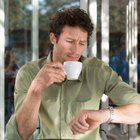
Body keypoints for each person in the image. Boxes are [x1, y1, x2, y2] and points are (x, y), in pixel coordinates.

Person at [6, 8, 140, 140]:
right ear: (53, 38)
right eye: (69, 41)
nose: (76, 50)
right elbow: (19, 135)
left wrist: (105, 115)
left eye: (82, 43)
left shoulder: (98, 71)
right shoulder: (29, 72)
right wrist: (37, 88)